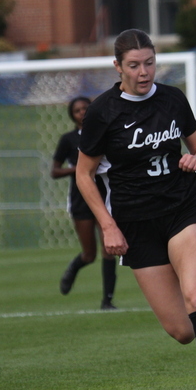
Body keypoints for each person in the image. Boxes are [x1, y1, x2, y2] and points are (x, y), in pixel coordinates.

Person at [75, 29, 196, 390]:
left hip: (181, 210)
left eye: (149, 63)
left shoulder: (172, 99)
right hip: (134, 224)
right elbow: (84, 174)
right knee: (182, 331)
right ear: (118, 67)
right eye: (134, 65)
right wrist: (109, 226)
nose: (144, 72)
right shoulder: (102, 112)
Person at [51, 96, 117, 310]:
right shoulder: (68, 139)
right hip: (81, 200)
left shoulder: (104, 133)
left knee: (109, 249)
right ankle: (74, 268)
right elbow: (55, 171)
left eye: (86, 108)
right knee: (90, 254)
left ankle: (107, 301)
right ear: (72, 115)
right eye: (77, 110)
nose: (82, 112)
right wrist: (80, 169)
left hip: (105, 197)